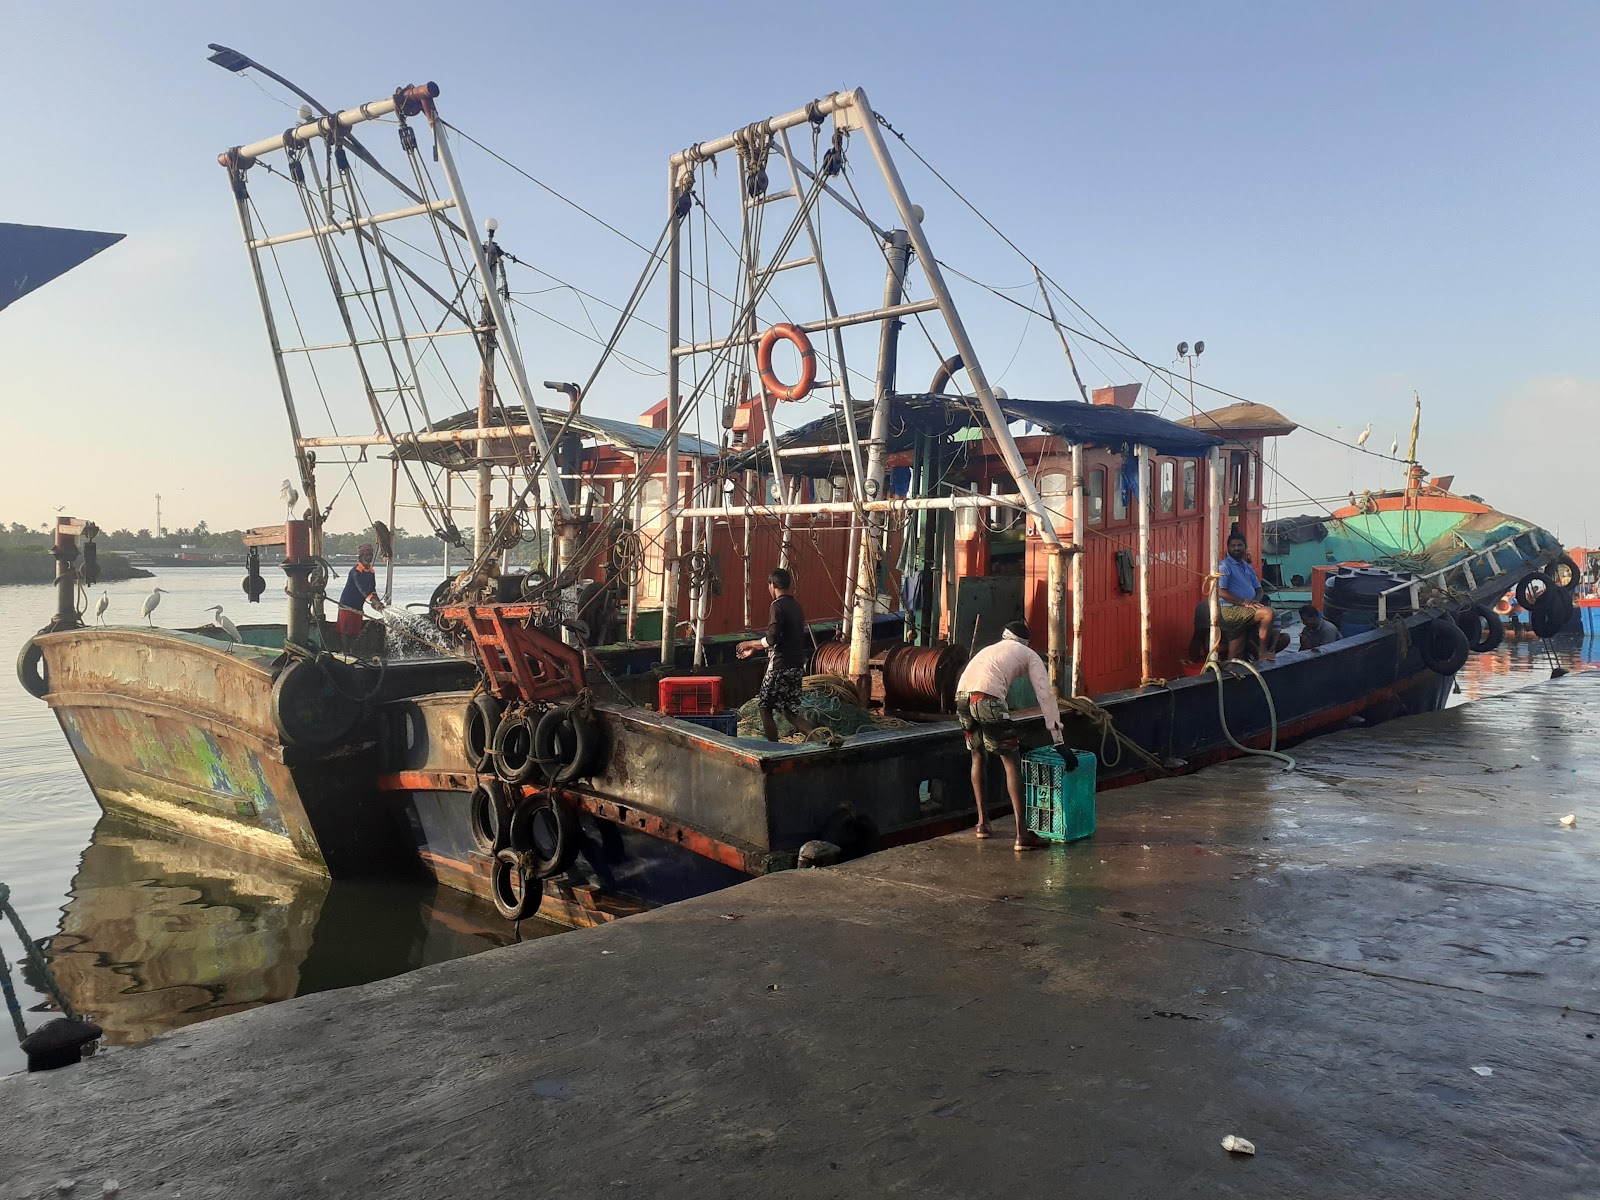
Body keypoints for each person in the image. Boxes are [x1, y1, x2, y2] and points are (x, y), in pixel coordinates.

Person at [955, 620, 1064, 852]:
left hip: (962, 697)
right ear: (1027, 641)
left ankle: (982, 824)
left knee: (977, 756)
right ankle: (1022, 834)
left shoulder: (990, 649)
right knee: (1011, 762)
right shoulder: (1030, 654)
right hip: (988, 699)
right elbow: (1045, 696)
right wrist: (1058, 739)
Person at [736, 568, 816, 741]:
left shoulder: (777, 605)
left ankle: (774, 748)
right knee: (790, 712)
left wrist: (749, 643)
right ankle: (821, 741)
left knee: (764, 707)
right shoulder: (796, 606)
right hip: (796, 666)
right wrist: (756, 648)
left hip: (780, 666)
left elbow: (772, 638)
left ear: (772, 585)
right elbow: (783, 638)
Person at [1216, 532, 1277, 662]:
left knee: (1236, 653)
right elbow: (1220, 591)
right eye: (1233, 545)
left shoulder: (1247, 567)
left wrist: (1255, 600)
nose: (1236, 548)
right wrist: (1244, 602)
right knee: (1268, 613)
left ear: (1245, 547)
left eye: (1240, 545)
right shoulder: (1225, 566)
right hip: (1230, 610)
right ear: (1228, 548)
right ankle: (1262, 652)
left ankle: (1234, 670)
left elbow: (1259, 589)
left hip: (1244, 609)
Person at [336, 543, 384, 647]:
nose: (369, 557)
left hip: (358, 606)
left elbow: (372, 590)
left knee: (355, 631)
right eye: (366, 555)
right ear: (361, 556)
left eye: (370, 554)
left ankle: (353, 652)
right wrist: (374, 601)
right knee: (346, 631)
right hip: (347, 605)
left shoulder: (371, 572)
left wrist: (378, 602)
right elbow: (363, 590)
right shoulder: (356, 571)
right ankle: (346, 652)